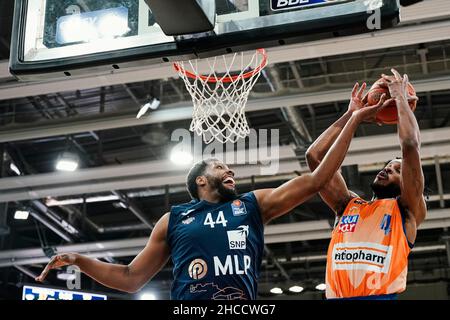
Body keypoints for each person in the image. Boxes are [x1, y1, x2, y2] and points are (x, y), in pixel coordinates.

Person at [35, 98, 387, 300]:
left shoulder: (251, 205)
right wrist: (81, 259)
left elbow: (317, 178)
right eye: (221, 166)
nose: (229, 169)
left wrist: (351, 118)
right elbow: (129, 277)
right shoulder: (173, 219)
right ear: (201, 180)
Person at [306, 69, 425, 300]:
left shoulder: (407, 210)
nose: (389, 168)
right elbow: (314, 157)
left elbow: (410, 144)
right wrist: (352, 116)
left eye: (398, 170)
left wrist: (400, 97)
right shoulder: (346, 204)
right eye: (389, 165)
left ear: (408, 183)